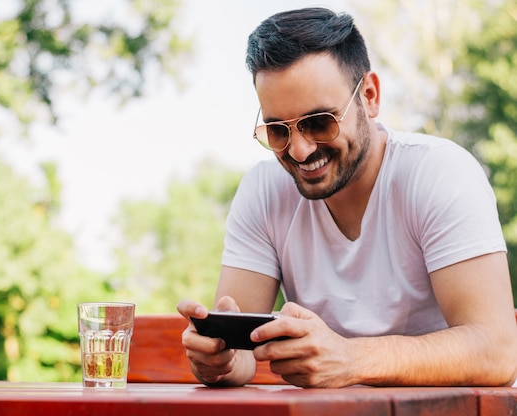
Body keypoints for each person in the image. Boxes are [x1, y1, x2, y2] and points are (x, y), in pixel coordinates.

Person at [177, 7, 517, 388]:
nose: (301, 151)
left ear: (369, 96)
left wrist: (351, 359)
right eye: (277, 131)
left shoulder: (439, 173)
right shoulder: (263, 192)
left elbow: (498, 350)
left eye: (319, 122)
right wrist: (219, 359)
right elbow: (240, 358)